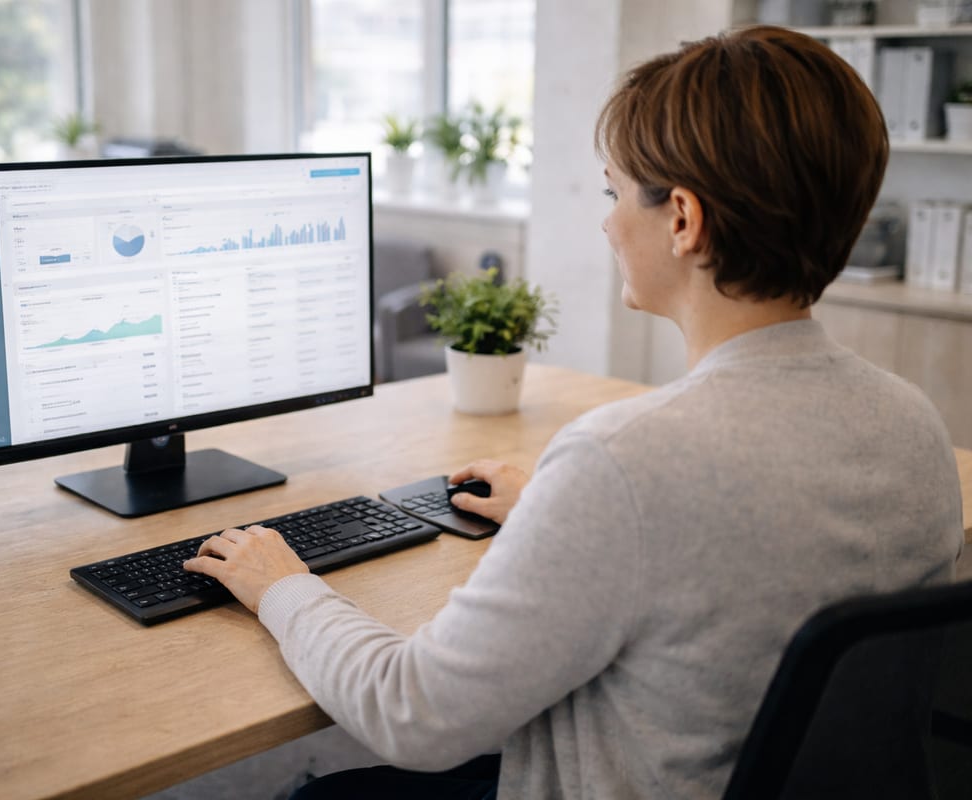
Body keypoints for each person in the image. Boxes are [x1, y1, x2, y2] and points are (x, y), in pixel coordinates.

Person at [184, 25, 965, 799]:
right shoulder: (910, 421)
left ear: (684, 220)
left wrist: (281, 582)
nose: (605, 221)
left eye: (613, 191)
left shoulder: (626, 460)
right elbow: (747, 551)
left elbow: (410, 712)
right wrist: (556, 511)